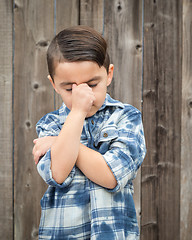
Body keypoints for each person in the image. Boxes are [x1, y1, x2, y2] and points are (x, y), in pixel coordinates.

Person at [32, 25, 146, 239]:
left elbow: (111, 175)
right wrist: (77, 113)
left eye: (92, 84)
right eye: (69, 89)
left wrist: (58, 143)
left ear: (109, 75)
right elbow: (58, 174)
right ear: (54, 84)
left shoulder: (126, 117)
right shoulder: (50, 125)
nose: (82, 95)